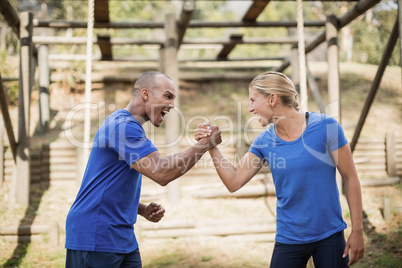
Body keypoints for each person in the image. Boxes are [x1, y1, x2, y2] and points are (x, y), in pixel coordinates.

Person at [195, 71, 364, 268]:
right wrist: (211, 147)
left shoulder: (326, 127)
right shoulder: (264, 142)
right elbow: (234, 181)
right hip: (289, 239)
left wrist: (357, 230)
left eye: (253, 100)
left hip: (329, 236)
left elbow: (350, 178)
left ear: (272, 99)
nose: (250, 108)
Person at [65, 71, 222, 268]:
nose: (173, 105)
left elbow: (107, 184)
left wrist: (140, 209)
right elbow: (161, 172)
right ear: (146, 94)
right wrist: (204, 145)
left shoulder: (127, 126)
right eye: (167, 96)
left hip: (122, 236)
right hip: (96, 234)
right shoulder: (123, 127)